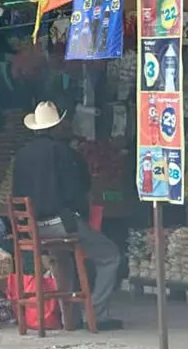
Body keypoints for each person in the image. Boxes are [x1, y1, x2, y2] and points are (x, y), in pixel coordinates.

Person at [12, 101, 122, 330]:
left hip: (31, 228)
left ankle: (70, 318)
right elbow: (77, 191)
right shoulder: (63, 152)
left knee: (63, 257)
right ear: (56, 127)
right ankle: (96, 313)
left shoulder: (21, 154)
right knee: (110, 256)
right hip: (59, 225)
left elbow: (16, 192)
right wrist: (79, 214)